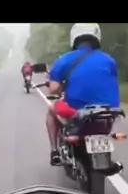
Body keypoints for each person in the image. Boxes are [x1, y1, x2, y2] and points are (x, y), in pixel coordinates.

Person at [46, 23, 120, 166]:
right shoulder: (109, 60)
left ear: (74, 38)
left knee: (51, 110)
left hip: (77, 112)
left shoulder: (64, 60)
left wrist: (64, 87)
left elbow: (53, 89)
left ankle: (54, 151)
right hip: (109, 112)